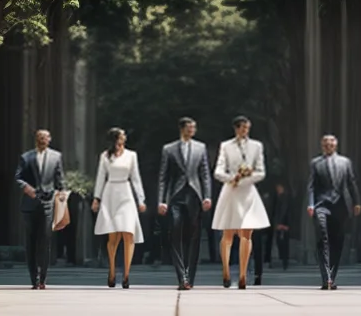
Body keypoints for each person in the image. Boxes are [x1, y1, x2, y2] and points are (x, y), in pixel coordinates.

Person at [212, 115, 269, 289]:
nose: (245, 131)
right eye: (242, 128)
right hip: (231, 191)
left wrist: (244, 179)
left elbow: (260, 171)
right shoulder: (226, 146)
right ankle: (226, 271)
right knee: (228, 234)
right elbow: (218, 171)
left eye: (247, 128)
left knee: (247, 234)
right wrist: (232, 178)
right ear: (236, 128)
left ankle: (243, 274)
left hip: (248, 192)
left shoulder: (256, 146)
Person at [157, 116, 212, 290]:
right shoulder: (169, 149)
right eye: (189, 128)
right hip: (176, 197)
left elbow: (205, 174)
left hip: (194, 197)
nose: (192, 131)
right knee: (175, 233)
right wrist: (161, 201)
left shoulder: (200, 147)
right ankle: (182, 277)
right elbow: (163, 177)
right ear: (182, 129)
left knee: (194, 237)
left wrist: (207, 196)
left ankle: (190, 275)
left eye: (194, 128)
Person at [92, 127, 147, 288]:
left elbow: (136, 178)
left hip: (126, 193)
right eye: (122, 135)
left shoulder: (131, 155)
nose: (124, 138)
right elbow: (101, 177)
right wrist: (97, 198)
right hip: (110, 194)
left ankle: (126, 275)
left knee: (128, 233)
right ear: (115, 138)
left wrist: (141, 199)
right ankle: (111, 271)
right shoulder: (105, 156)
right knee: (113, 237)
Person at [307, 135, 361, 290]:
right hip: (321, 205)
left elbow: (351, 182)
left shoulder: (345, 162)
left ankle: (332, 276)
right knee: (322, 238)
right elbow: (311, 186)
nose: (328, 145)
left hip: (341, 206)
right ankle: (326, 278)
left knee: (337, 242)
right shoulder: (315, 163)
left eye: (331, 143)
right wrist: (311, 204)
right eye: (325, 143)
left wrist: (356, 202)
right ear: (322, 145)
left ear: (336, 145)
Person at [15, 128, 65, 290]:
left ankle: (42, 278)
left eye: (45, 137)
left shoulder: (56, 157)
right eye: (39, 137)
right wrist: (25, 187)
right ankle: (33, 279)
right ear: (36, 139)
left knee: (45, 240)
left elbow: (59, 178)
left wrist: (63, 191)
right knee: (30, 242)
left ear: (49, 139)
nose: (42, 140)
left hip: (48, 203)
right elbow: (18, 177)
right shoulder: (26, 157)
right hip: (30, 204)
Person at [271, 182, 293, 271]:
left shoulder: (284, 198)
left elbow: (283, 212)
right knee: (281, 243)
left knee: (283, 243)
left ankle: (284, 262)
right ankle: (284, 262)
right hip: (282, 224)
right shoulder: (279, 198)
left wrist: (281, 224)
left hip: (283, 224)